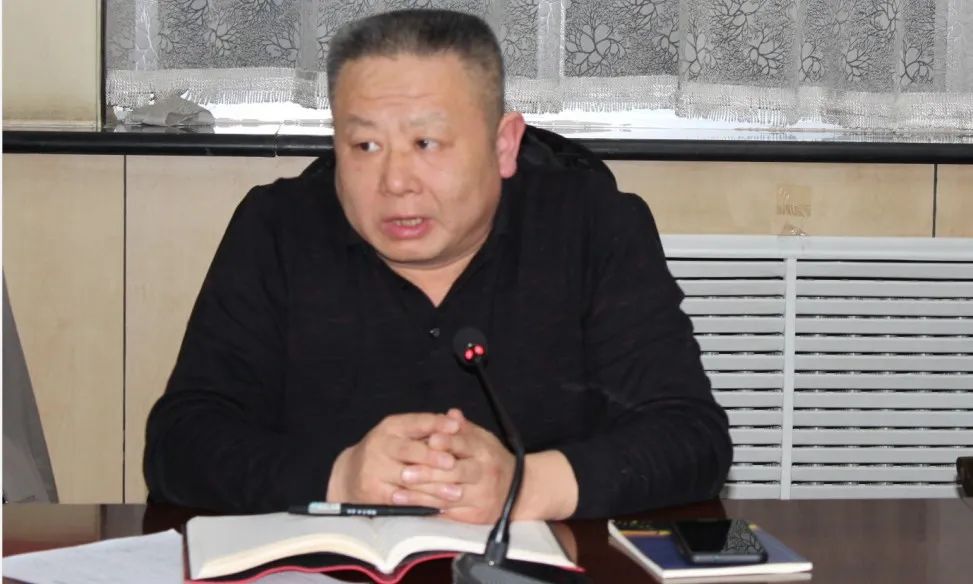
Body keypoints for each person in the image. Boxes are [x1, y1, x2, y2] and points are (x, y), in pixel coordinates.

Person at [144, 9, 732, 524]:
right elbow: (181, 442)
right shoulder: (278, 228)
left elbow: (690, 436)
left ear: (503, 145)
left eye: (426, 144)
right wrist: (338, 477)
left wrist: (525, 486)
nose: (395, 181)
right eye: (365, 146)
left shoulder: (593, 225)